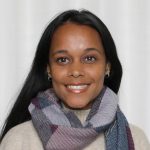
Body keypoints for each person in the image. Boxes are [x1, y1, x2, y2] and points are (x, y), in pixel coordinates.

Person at [0, 9, 149, 150]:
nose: (76, 71)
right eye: (63, 59)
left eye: (89, 58)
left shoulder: (136, 140)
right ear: (49, 69)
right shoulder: (19, 140)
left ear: (107, 67)